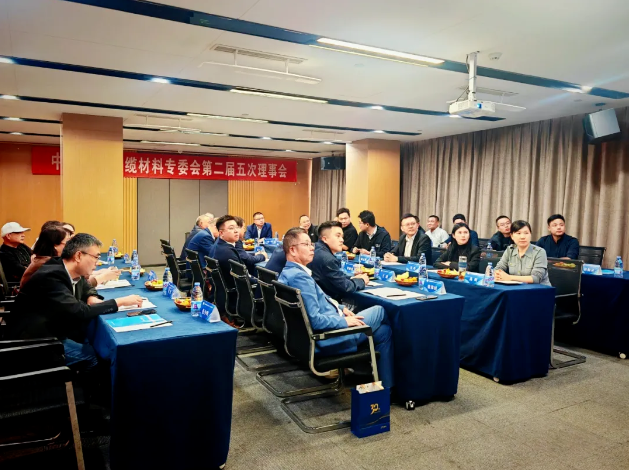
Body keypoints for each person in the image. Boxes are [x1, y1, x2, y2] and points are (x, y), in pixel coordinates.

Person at [7, 233, 143, 371]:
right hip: (33, 341)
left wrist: (91, 297)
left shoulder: (66, 268)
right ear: (78, 256)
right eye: (95, 257)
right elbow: (80, 311)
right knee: (94, 357)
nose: (97, 262)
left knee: (93, 341)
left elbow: (86, 286)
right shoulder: (52, 276)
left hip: (54, 328)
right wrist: (119, 302)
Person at [278, 228, 394, 388]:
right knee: (380, 310)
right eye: (306, 244)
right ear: (292, 250)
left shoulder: (289, 271)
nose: (312, 248)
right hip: (327, 338)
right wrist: (345, 322)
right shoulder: (300, 278)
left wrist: (340, 307)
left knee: (384, 332)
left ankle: (384, 386)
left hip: (304, 339)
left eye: (311, 244)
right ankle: (387, 383)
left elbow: (320, 298)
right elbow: (315, 320)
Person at [308, 221, 370, 301]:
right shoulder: (327, 259)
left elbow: (333, 276)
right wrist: (362, 281)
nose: (342, 240)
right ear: (325, 239)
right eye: (338, 236)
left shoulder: (316, 249)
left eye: (342, 236)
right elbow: (346, 287)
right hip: (326, 302)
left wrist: (352, 278)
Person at [214, 215, 260, 315]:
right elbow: (244, 278)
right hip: (237, 297)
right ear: (221, 233)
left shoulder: (222, 246)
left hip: (225, 293)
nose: (236, 231)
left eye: (236, 227)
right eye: (231, 228)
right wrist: (260, 282)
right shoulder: (228, 253)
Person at [496, 220, 551, 285]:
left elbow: (536, 278)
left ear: (530, 235)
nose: (522, 237)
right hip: (517, 288)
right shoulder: (510, 250)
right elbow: (498, 268)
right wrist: (498, 274)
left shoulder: (540, 252)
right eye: (518, 233)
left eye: (526, 233)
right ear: (512, 236)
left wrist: (509, 278)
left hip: (539, 289)